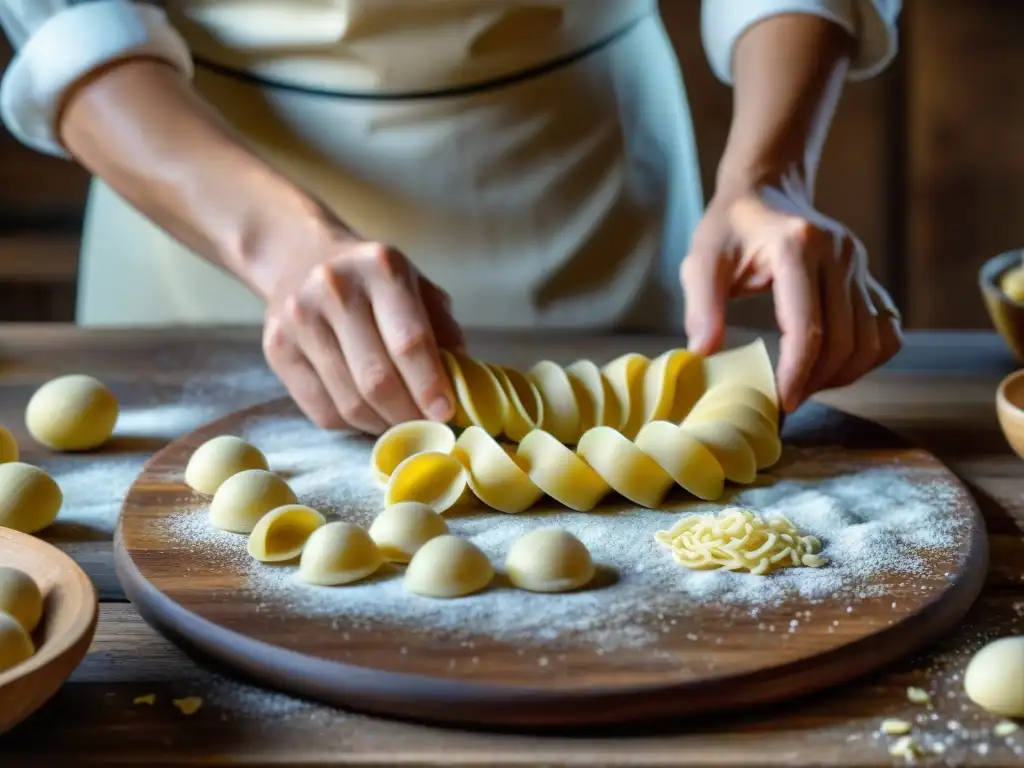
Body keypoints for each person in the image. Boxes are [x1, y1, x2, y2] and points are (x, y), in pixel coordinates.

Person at [0, 0, 903, 435]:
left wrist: (767, 173)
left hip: (584, 172)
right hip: (203, 190)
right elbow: (67, 21)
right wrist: (278, 244)